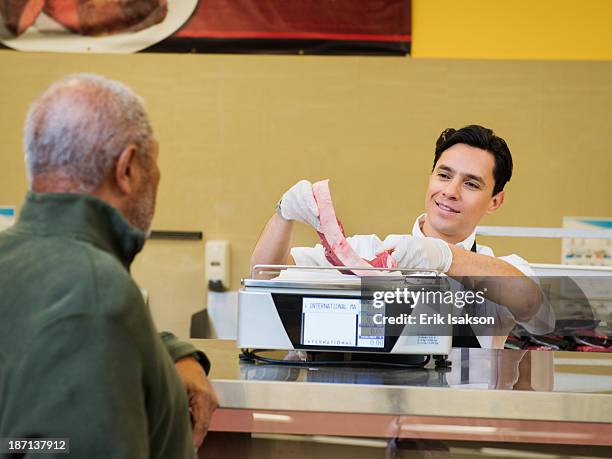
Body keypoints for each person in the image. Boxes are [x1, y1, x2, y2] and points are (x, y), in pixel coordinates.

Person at [0, 74, 218, 457]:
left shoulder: (23, 263)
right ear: (128, 169)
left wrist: (173, 354)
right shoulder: (96, 295)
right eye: (154, 165)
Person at [251, 125, 554, 348]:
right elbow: (265, 275)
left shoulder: (498, 267)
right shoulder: (370, 251)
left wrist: (443, 256)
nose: (450, 191)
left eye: (471, 184)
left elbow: (532, 305)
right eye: (444, 175)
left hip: (463, 425)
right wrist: (284, 213)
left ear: (494, 201)